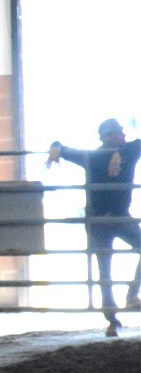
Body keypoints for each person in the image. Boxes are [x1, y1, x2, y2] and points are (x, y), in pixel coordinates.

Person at [46, 118, 141, 337]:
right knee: (104, 269)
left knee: (104, 268)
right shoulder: (93, 156)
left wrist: (121, 153)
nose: (123, 136)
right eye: (118, 133)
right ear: (108, 137)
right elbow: (61, 146)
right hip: (105, 219)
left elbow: (136, 143)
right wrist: (56, 148)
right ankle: (112, 317)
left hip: (111, 217)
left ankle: (129, 298)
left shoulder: (105, 155)